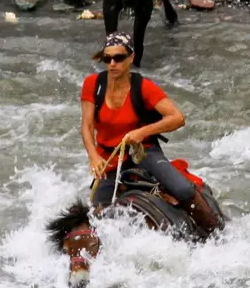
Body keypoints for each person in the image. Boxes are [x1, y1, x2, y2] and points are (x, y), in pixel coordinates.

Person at [80, 31, 222, 235]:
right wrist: (93, 157)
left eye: (119, 58)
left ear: (131, 58)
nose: (112, 64)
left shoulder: (144, 87)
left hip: (143, 150)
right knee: (96, 212)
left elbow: (177, 118)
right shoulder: (93, 84)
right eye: (107, 58)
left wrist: (142, 132)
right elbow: (86, 125)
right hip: (109, 156)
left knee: (182, 189)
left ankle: (214, 232)